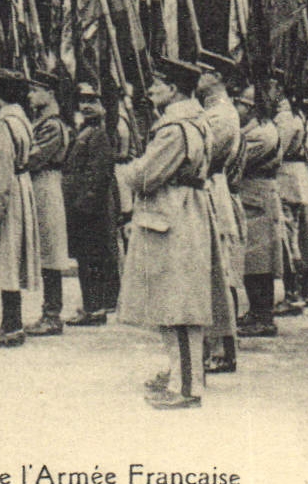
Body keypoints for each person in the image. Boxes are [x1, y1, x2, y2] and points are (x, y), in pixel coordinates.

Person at [119, 58, 214, 409]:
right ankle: (179, 377)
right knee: (172, 301)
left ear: (174, 90)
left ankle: (187, 387)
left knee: (180, 305)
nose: (151, 89)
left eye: (158, 84)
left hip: (172, 214)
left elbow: (145, 175)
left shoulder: (175, 128)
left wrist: (127, 170)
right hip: (180, 211)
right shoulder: (195, 120)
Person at [0, 70, 41, 348]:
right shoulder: (22, 121)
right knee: (12, 258)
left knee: (6, 259)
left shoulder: (5, 126)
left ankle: (11, 325)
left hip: (7, 194)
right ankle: (11, 322)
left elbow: (0, 173)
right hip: (21, 187)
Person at [195, 50, 244, 373]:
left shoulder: (221, 115)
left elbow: (202, 154)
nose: (198, 77)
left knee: (218, 271)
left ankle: (223, 349)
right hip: (211, 187)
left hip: (212, 189)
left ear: (218, 78)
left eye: (205, 72)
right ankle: (216, 347)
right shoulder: (212, 112)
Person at [63, 82, 121, 326]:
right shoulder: (85, 131)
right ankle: (94, 305)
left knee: (93, 256)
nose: (86, 106)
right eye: (83, 101)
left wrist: (84, 206)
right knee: (88, 257)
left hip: (92, 209)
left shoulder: (100, 134)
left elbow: (99, 174)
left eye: (92, 101)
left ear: (104, 106)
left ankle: (95, 309)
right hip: (84, 206)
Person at [234, 85, 285, 338]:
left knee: (259, 261)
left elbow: (236, 159)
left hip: (257, 196)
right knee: (253, 259)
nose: (238, 109)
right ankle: (258, 312)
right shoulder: (257, 130)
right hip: (254, 195)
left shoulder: (262, 135)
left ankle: (263, 316)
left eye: (241, 104)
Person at [24, 72, 71, 336]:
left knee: (51, 250)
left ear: (50, 94)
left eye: (35, 90)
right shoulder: (41, 122)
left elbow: (33, 158)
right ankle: (49, 311)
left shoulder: (52, 125)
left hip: (46, 184)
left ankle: (52, 314)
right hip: (39, 184)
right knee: (45, 250)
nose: (31, 96)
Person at [274, 88, 308, 315]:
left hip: (286, 178)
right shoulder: (299, 117)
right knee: (297, 237)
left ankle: (294, 294)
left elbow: (277, 149)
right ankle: (303, 290)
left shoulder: (285, 117)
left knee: (288, 238)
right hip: (299, 178)